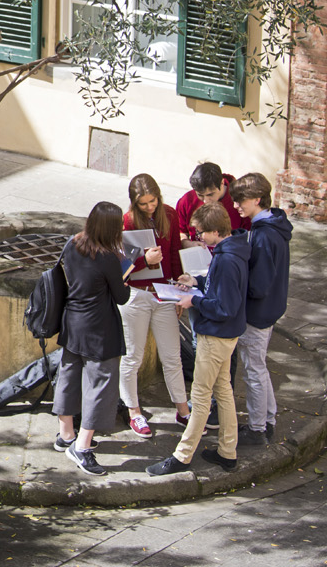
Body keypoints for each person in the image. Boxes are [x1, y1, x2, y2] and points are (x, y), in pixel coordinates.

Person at [53, 201, 163, 476]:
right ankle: (82, 446)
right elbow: (122, 297)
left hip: (72, 323)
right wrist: (123, 275)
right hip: (99, 330)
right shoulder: (108, 258)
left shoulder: (72, 243)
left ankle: (65, 434)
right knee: (100, 384)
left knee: (68, 376)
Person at [148, 201, 247, 476]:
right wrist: (197, 283)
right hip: (227, 336)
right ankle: (228, 451)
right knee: (224, 391)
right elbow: (224, 290)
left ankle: (182, 456)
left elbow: (224, 306)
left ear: (216, 231)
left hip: (215, 336)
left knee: (201, 397)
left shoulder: (226, 259)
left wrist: (194, 301)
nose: (197, 238)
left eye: (201, 233)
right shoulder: (232, 250)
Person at [119, 174, 191, 438]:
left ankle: (183, 411)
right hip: (137, 296)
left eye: (153, 201)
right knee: (132, 357)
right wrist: (143, 260)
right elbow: (122, 267)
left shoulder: (169, 215)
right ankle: (134, 412)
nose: (150, 207)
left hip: (163, 295)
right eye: (144, 204)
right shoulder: (126, 222)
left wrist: (177, 292)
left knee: (172, 357)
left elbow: (173, 256)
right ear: (134, 204)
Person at [232, 171, 293, 445]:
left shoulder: (264, 236)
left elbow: (259, 285)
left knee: (253, 370)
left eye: (240, 201)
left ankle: (257, 429)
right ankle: (267, 420)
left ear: (257, 199)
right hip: (269, 310)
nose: (236, 206)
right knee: (259, 367)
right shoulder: (271, 226)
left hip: (257, 313)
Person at [175, 162, 246, 240]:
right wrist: (187, 243)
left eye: (210, 195)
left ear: (222, 183)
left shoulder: (239, 200)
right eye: (200, 195)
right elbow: (180, 232)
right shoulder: (186, 201)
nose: (205, 201)